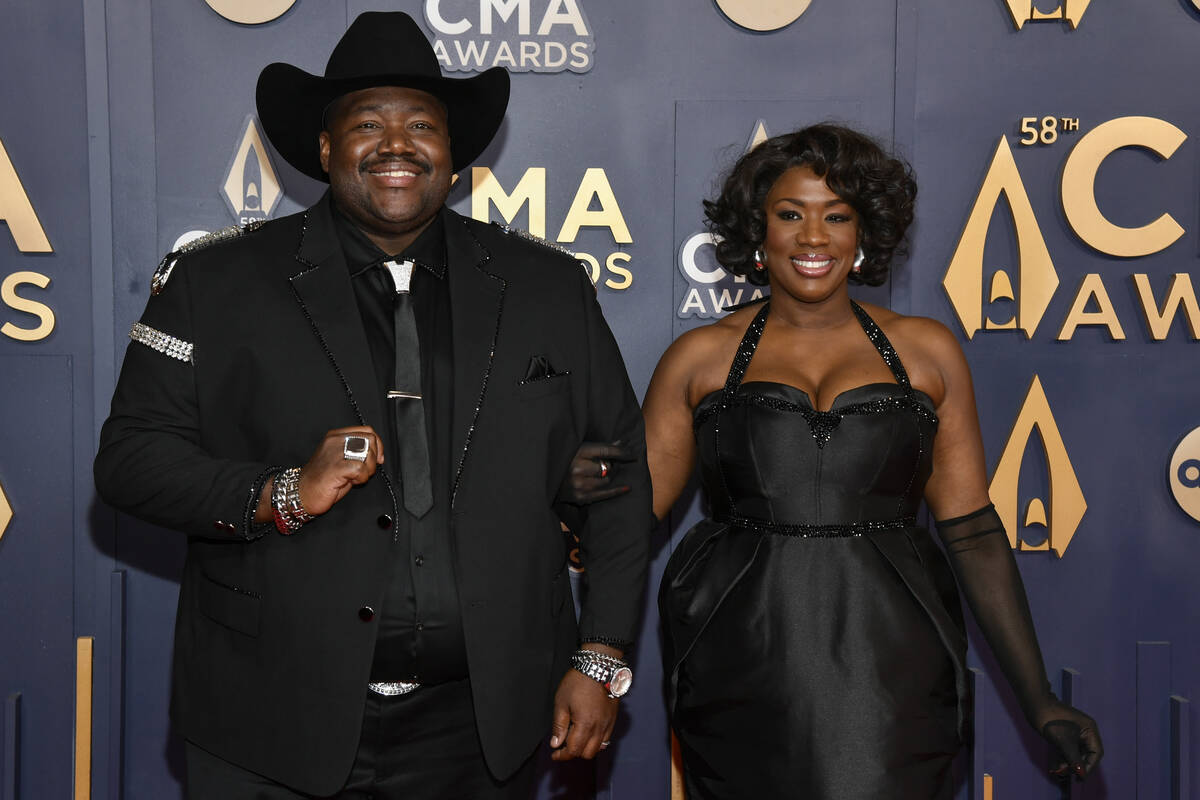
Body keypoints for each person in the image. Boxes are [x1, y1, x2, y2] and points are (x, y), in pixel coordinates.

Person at [93, 12, 650, 799]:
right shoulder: (214, 284)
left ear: (454, 154)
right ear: (325, 150)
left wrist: (601, 656)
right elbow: (130, 461)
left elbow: (616, 479)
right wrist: (276, 493)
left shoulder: (547, 289)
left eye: (422, 123)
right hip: (267, 718)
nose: (397, 144)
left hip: (484, 725)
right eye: (367, 124)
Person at [645, 124, 1102, 798]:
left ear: (864, 234)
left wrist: (1040, 700)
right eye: (790, 214)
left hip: (894, 660)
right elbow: (628, 522)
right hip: (740, 653)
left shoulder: (927, 350)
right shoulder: (700, 356)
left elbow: (973, 532)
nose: (813, 237)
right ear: (758, 230)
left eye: (837, 216)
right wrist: (578, 501)